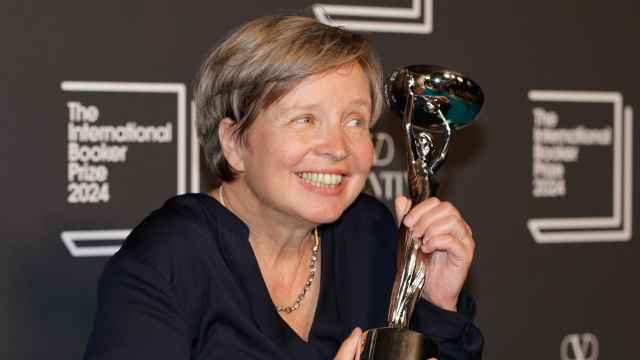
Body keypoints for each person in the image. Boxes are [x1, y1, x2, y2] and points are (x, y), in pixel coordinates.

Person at [84, 15, 482, 360]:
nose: (337, 148)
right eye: (305, 119)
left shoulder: (373, 236)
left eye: (355, 121)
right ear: (234, 142)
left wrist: (436, 304)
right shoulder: (167, 261)